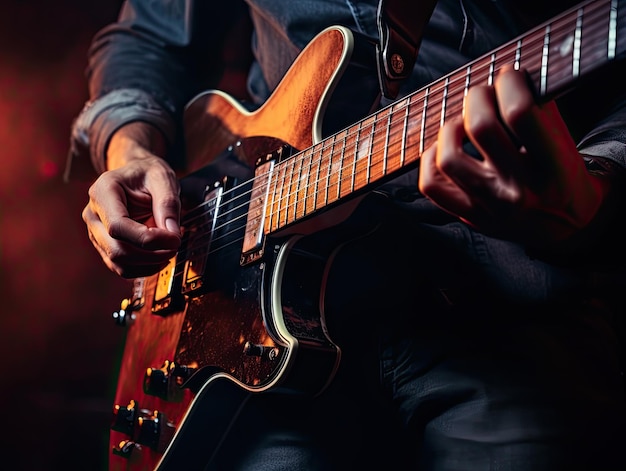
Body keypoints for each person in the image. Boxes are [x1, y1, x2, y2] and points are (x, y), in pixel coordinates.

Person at [68, 0, 626, 469]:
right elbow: (148, 38)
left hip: (509, 304)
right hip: (258, 315)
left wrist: (594, 189)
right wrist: (130, 149)